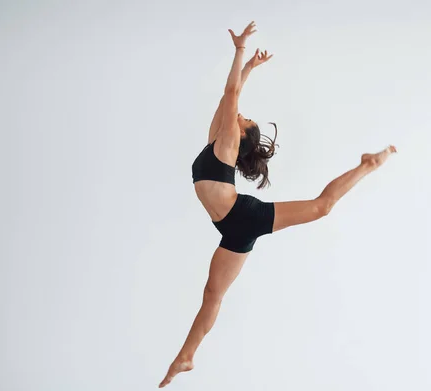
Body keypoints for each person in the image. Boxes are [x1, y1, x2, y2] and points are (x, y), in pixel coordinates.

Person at [158, 21, 397, 388]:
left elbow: (231, 91)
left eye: (243, 119)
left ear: (241, 134)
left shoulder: (227, 144)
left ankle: (369, 164)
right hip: (229, 228)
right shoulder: (215, 143)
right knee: (212, 294)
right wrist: (251, 67)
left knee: (321, 207)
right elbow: (228, 99)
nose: (238, 114)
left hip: (244, 215)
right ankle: (187, 356)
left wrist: (240, 52)